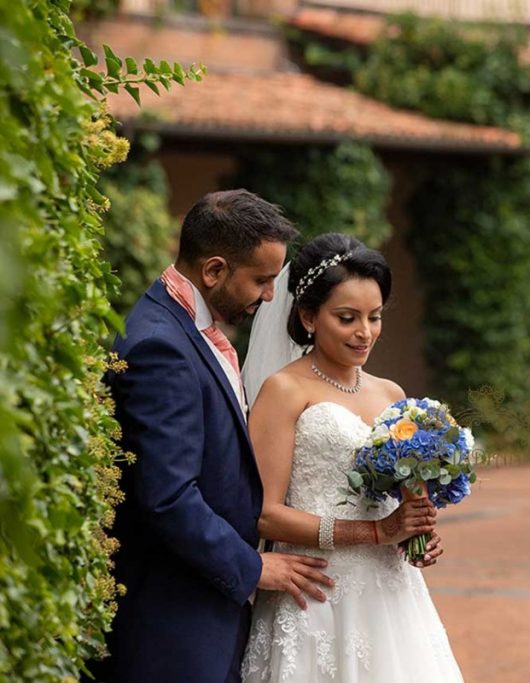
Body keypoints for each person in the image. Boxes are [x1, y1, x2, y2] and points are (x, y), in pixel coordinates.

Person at [94, 190, 335, 683]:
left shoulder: (185, 328)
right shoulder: (161, 345)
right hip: (173, 624)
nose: (270, 296)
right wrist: (252, 569)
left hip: (204, 611)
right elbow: (168, 496)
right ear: (214, 271)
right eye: (262, 280)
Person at [239, 233, 464, 682]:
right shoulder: (284, 391)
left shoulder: (393, 396)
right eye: (347, 318)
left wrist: (415, 532)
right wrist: (377, 530)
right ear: (308, 317)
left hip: (391, 594)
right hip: (316, 591)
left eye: (374, 317)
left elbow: (401, 502)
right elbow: (265, 515)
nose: (365, 332)